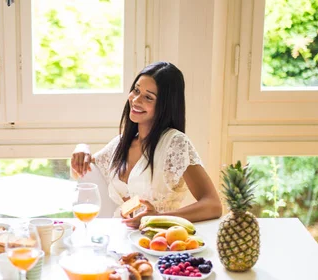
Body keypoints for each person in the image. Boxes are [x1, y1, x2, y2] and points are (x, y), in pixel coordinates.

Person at [71, 61, 222, 228]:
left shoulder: (175, 144)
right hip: (118, 238)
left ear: (165, 105)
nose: (136, 100)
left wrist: (156, 219)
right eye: (136, 90)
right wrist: (81, 147)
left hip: (157, 242)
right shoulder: (121, 143)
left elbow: (213, 205)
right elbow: (87, 169)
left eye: (148, 97)